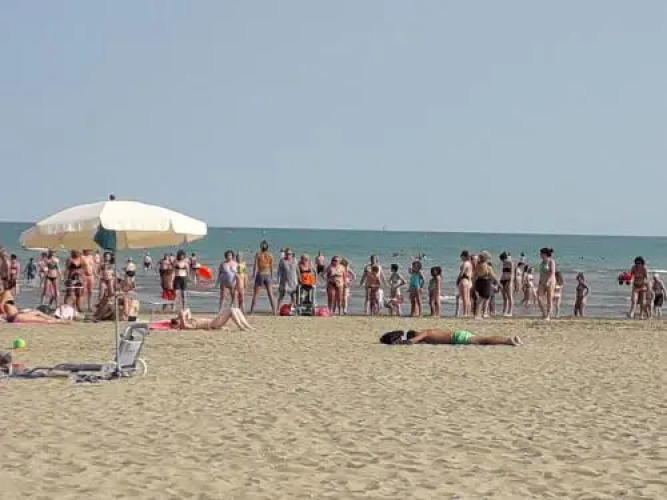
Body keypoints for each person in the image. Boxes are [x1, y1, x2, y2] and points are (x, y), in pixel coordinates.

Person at [379, 328, 523, 346]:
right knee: (483, 339)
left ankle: (508, 341)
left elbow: (411, 342)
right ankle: (510, 339)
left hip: (456, 338)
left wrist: (400, 342)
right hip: (458, 334)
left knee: (484, 341)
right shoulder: (429, 332)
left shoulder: (424, 333)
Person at [1, 290, 69, 324]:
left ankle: (57, 320)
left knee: (37, 312)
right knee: (44, 321)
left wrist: (21, 310)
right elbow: (2, 306)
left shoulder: (6, 294)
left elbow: (9, 309)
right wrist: (4, 315)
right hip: (16, 317)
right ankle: (59, 321)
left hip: (18, 314)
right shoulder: (6, 293)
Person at [170, 307, 254, 331]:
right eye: (177, 321)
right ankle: (241, 327)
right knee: (230, 310)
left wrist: (179, 316)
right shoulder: (185, 325)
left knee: (236, 309)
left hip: (214, 321)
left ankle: (247, 325)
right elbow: (184, 326)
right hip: (213, 324)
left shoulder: (188, 319)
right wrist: (181, 317)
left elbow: (188, 310)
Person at [250, 240, 276, 315]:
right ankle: (274, 311)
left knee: (256, 294)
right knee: (270, 294)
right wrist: (272, 276)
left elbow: (255, 265)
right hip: (267, 274)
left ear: (261, 247)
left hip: (260, 274)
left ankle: (252, 311)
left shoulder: (258, 254)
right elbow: (271, 267)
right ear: (267, 247)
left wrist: (253, 274)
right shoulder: (270, 255)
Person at [473, 251, 496, 319]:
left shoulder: (478, 266)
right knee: (483, 298)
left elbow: (474, 275)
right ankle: (479, 314)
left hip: (478, 282)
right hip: (485, 282)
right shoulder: (488, 267)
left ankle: (478, 314)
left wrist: (474, 284)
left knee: (481, 298)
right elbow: (493, 276)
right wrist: (498, 284)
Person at [537, 248, 557, 320]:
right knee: (539, 297)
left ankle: (548, 316)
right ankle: (544, 313)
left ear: (545, 254)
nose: (540, 255)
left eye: (541, 254)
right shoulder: (542, 262)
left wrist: (548, 281)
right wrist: (539, 281)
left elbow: (552, 273)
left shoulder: (551, 261)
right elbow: (541, 273)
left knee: (549, 299)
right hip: (542, 282)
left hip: (550, 281)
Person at [456, 250, 473, 317]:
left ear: (464, 256)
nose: (461, 258)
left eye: (462, 256)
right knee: (468, 298)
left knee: (464, 298)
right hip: (468, 281)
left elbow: (461, 273)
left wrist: (457, 280)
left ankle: (465, 313)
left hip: (464, 280)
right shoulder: (470, 263)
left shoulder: (465, 263)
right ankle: (468, 312)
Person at [499, 252, 514, 317]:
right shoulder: (504, 263)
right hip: (503, 280)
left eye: (502, 260)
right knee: (504, 297)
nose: (502, 261)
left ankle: (510, 311)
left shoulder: (510, 263)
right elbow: (503, 273)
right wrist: (500, 281)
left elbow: (512, 273)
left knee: (509, 296)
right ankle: (504, 311)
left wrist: (511, 282)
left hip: (508, 280)